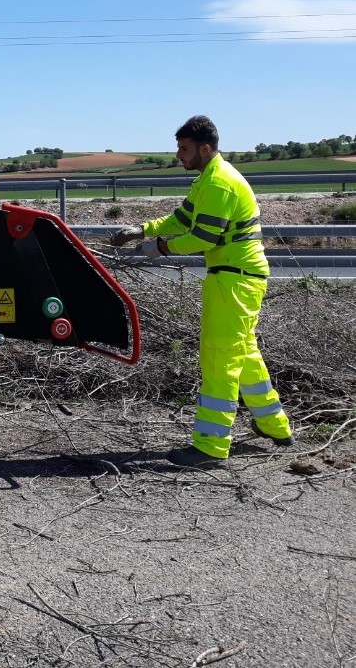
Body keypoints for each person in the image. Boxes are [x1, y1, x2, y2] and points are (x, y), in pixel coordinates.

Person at [110, 115, 293, 468]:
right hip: (238, 277)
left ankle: (210, 445)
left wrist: (159, 249)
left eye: (184, 148)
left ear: (205, 149)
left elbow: (203, 238)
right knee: (243, 352)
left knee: (218, 359)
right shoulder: (209, 179)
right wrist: (142, 230)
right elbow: (182, 219)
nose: (178, 154)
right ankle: (275, 425)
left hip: (233, 280)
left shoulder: (219, 184)